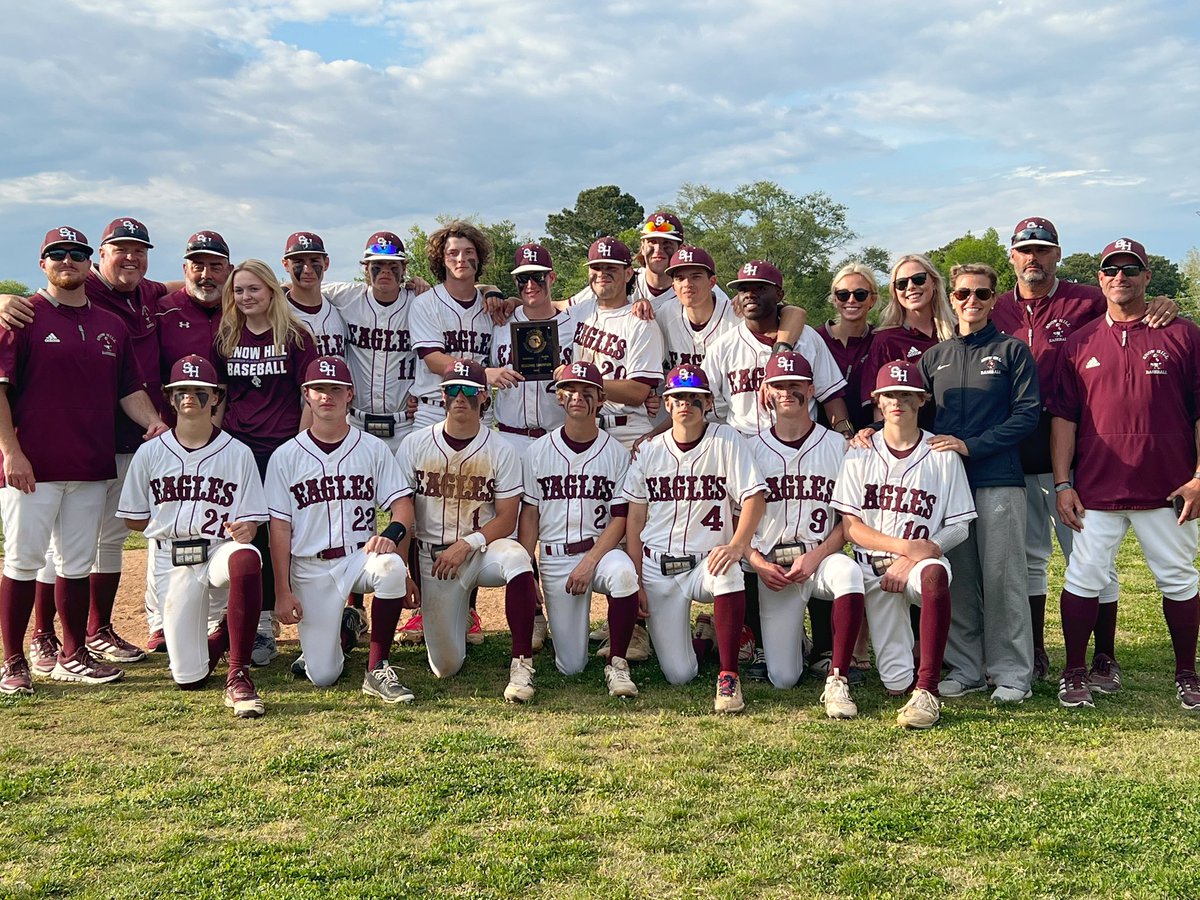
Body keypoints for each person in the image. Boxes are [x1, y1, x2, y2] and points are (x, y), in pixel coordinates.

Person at [990, 217, 1175, 682]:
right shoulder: (994, 308)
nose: (1033, 258)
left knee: (1090, 559)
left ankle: (1103, 655)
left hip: (1078, 454)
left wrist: (1161, 305)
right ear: (1011, 256)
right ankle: (1035, 652)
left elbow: (1128, 315)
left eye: (1043, 249)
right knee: (1031, 558)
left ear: (1057, 254)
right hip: (1016, 450)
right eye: (1024, 249)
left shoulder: (1087, 300)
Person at [0, 227, 167, 695]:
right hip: (33, 464)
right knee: (23, 559)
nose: (67, 261)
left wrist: (155, 423)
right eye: (58, 254)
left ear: (87, 260)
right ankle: (14, 659)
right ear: (43, 264)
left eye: (76, 253)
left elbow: (129, 390)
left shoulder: (110, 325)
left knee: (76, 560)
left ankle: (73, 652)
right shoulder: (22, 316)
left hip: (92, 463)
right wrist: (10, 451)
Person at [1048, 238, 1200, 711]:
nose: (1121, 277)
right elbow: (1064, 418)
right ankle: (1075, 671)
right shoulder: (1080, 342)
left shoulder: (1184, 334)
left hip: (1170, 485)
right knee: (1084, 577)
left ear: (1147, 276)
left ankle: (1186, 674)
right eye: (1111, 269)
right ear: (1100, 279)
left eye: (1130, 269)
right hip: (1098, 485)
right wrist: (1062, 482)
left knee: (1178, 578)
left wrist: (1199, 478)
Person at [116, 355, 267, 717]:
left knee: (246, 556)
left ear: (215, 397)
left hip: (217, 551)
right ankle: (222, 636)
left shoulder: (238, 452)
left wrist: (246, 529)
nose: (189, 397)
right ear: (169, 398)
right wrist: (172, 519)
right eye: (181, 390)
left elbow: (251, 522)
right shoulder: (150, 453)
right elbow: (133, 520)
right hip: (171, 559)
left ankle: (238, 673)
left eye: (199, 391)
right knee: (189, 677)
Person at [918, 264, 1041, 704]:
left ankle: (1010, 672)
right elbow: (919, 420)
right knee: (959, 578)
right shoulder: (935, 357)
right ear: (951, 298)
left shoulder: (1011, 352)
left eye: (982, 294)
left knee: (1003, 576)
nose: (972, 301)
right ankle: (967, 667)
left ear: (993, 300)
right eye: (964, 293)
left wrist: (971, 446)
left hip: (998, 479)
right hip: (949, 487)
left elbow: (1027, 415)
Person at [832, 361, 977, 729]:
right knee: (895, 680)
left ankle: (928, 690)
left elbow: (959, 526)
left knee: (934, 574)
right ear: (877, 402)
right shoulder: (860, 451)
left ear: (921, 400)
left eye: (906, 394)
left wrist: (918, 555)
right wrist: (906, 549)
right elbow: (851, 528)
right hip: (872, 568)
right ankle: (895, 680)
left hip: (917, 566)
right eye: (889, 395)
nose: (897, 401)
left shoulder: (942, 454)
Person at [267, 356, 420, 702]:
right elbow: (279, 529)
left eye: (335, 389)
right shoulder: (285, 456)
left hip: (357, 559)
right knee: (323, 676)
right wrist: (281, 590)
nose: (327, 396)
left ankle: (377, 668)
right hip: (310, 567)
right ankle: (345, 632)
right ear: (306, 394)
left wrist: (392, 537)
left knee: (390, 566)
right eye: (319, 389)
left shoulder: (372, 448)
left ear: (349, 394)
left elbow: (403, 506)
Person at [620, 365, 766, 713]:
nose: (686, 404)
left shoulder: (726, 440)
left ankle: (728, 674)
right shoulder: (650, 450)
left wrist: (737, 545)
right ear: (667, 405)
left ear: (707, 403)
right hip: (658, 566)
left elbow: (753, 499)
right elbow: (635, 517)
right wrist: (638, 577)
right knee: (679, 674)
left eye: (694, 398)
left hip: (705, 561)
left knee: (729, 570)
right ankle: (704, 641)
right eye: (678, 397)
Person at [394, 359, 542, 701]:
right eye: (453, 391)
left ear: (484, 399)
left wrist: (468, 543)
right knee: (445, 666)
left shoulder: (501, 449)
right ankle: (456, 622)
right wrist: (403, 571)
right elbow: (403, 516)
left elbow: (507, 518)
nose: (461, 398)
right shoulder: (415, 445)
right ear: (443, 398)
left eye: (470, 391)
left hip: (482, 551)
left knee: (518, 558)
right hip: (434, 561)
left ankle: (521, 664)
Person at [744, 352, 865, 718]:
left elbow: (848, 520)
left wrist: (818, 555)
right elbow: (735, 521)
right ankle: (790, 644)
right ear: (766, 391)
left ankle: (838, 675)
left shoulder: (839, 447)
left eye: (795, 385)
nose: (787, 392)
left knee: (849, 573)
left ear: (811, 390)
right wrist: (756, 561)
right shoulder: (749, 448)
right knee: (783, 678)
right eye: (779, 385)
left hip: (819, 557)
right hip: (773, 569)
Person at [213, 259, 318, 666]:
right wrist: (214, 446)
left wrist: (299, 447)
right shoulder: (225, 335)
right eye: (239, 291)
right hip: (240, 448)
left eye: (254, 289)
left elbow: (307, 396)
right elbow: (219, 395)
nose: (246, 297)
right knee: (247, 535)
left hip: (283, 446)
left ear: (272, 291)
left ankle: (290, 608)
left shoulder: (294, 336)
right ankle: (257, 625)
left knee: (283, 531)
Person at [517, 362, 641, 696]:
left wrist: (589, 562)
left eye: (588, 392)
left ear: (600, 400)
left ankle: (618, 663)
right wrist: (529, 572)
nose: (578, 398)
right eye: (570, 390)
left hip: (601, 553)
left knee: (624, 575)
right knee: (571, 666)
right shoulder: (537, 451)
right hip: (556, 558)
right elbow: (529, 515)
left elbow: (620, 517)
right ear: (559, 397)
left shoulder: (616, 453)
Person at [410, 220, 513, 431]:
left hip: (480, 410)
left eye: (468, 252)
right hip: (434, 411)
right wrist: (484, 374)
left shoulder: (491, 305)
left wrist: (512, 301)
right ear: (442, 259)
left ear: (478, 257)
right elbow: (433, 360)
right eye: (453, 253)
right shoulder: (425, 303)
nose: (461, 259)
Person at [567, 237, 665, 450]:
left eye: (611, 267)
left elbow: (638, 391)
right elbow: (539, 309)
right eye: (596, 267)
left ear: (628, 273)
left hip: (627, 431)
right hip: (582, 427)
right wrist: (503, 298)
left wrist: (576, 381)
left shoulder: (641, 322)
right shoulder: (575, 313)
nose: (602, 274)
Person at [491, 243, 577, 452]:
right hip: (509, 437)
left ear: (552, 278)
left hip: (558, 437)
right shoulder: (500, 322)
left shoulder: (574, 325)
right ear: (515, 281)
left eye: (537, 276)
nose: (530, 284)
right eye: (523, 278)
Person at [859, 254, 956, 426]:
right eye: (902, 284)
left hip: (957, 438)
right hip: (912, 444)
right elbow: (880, 407)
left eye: (918, 279)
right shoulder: (886, 340)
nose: (910, 287)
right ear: (895, 292)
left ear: (933, 282)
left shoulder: (957, 334)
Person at [816, 264, 880, 433]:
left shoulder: (880, 340)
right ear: (835, 299)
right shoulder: (815, 339)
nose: (851, 300)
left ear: (872, 300)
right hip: (822, 444)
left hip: (870, 441)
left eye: (860, 294)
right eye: (843, 295)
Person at [282, 232, 346, 357]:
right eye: (298, 262)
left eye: (314, 261)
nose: (307, 270)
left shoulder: (340, 307)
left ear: (326, 263)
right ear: (286, 265)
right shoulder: (275, 311)